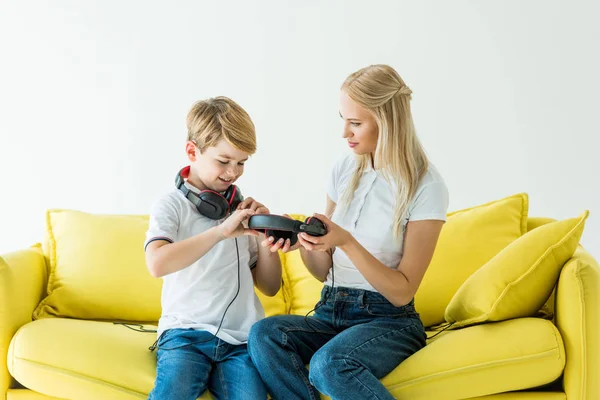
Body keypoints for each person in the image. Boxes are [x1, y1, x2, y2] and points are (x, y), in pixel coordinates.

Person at [248, 64, 450, 400]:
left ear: (387, 121)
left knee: (330, 364)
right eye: (343, 119)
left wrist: (346, 241)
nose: (345, 133)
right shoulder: (344, 169)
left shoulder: (426, 185)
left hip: (388, 321)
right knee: (265, 335)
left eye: (355, 123)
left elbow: (402, 291)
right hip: (331, 310)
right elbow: (323, 271)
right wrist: (308, 243)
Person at [144, 96, 282, 400]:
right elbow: (157, 264)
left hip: (242, 342)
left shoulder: (241, 211)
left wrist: (264, 236)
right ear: (192, 151)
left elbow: (270, 288)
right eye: (223, 161)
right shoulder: (171, 206)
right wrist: (221, 232)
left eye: (241, 163)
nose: (233, 172)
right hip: (185, 335)